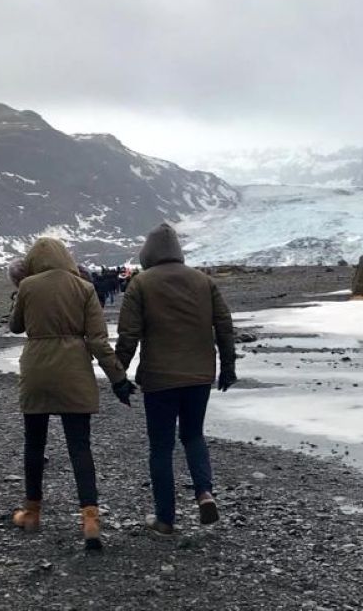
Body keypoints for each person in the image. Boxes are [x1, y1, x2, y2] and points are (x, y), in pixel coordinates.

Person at [8, 237, 137, 550]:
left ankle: (32, 512)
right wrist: (119, 379)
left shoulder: (28, 287)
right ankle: (90, 518)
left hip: (36, 370)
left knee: (34, 444)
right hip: (74, 371)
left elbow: (15, 326)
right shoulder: (84, 288)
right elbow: (97, 341)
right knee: (80, 446)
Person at [116, 223, 236, 536]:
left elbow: (128, 335)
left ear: (149, 253)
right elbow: (224, 325)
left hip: (160, 378)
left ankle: (165, 519)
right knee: (194, 435)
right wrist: (228, 367)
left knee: (161, 447)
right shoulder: (203, 281)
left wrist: (119, 376)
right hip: (199, 375)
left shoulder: (141, 284)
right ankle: (204, 492)